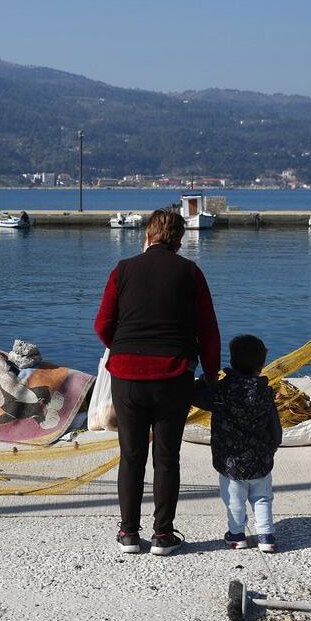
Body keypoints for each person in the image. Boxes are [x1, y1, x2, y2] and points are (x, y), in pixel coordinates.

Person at [94, 208, 221, 556]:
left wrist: (123, 349)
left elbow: (102, 324)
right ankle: (163, 535)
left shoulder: (123, 270)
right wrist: (211, 376)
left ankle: (128, 534)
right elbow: (209, 332)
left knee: (131, 455)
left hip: (127, 377)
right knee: (166, 456)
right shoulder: (191, 273)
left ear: (147, 236)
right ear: (179, 242)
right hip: (174, 376)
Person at [192, 334, 283, 552]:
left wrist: (204, 380)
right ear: (262, 365)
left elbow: (194, 396)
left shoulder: (221, 390)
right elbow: (275, 429)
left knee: (234, 500)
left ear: (232, 362)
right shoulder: (265, 392)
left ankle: (237, 535)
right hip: (260, 459)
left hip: (229, 461)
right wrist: (271, 448)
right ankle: (266, 537)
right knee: (262, 498)